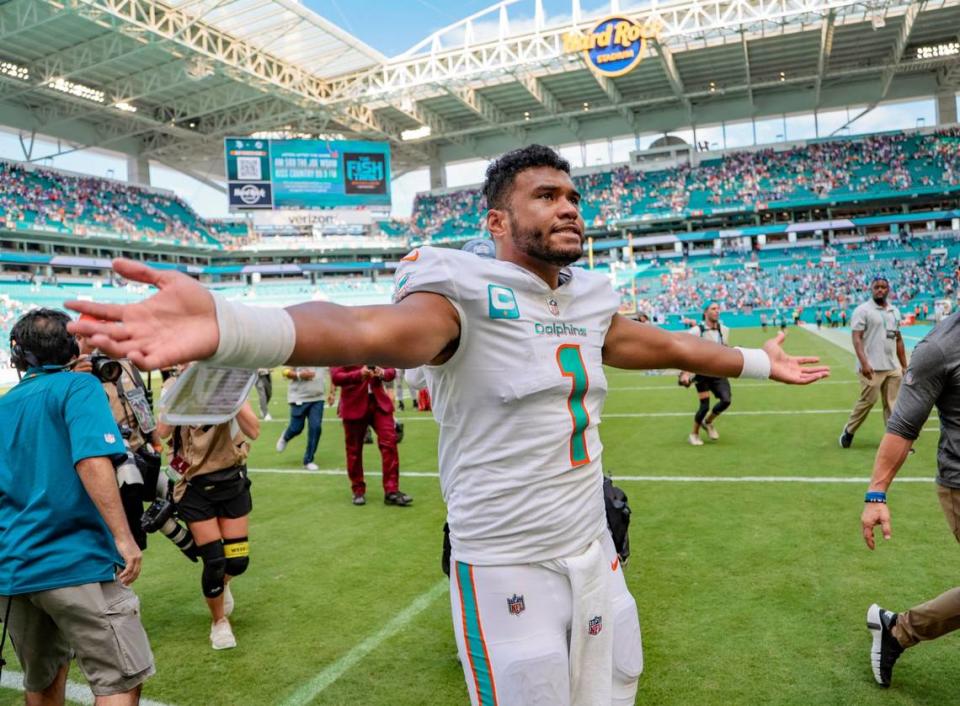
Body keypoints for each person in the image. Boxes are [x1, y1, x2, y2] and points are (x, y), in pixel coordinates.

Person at [68, 144, 829, 706]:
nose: (569, 206)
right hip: (506, 561)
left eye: (572, 195)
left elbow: (658, 344)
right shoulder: (459, 292)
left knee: (614, 695)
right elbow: (364, 329)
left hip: (594, 549)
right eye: (545, 196)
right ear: (498, 220)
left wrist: (755, 364)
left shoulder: (589, 299)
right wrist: (233, 324)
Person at [0, 309, 154, 705]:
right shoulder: (78, 388)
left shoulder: (5, 405)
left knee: (43, 678)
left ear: (18, 356)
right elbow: (91, 461)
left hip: (15, 569)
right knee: (120, 677)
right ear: (71, 349)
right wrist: (124, 537)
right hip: (75, 561)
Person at [860, 312, 960, 688]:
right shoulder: (940, 347)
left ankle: (896, 631)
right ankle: (899, 631)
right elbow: (903, 425)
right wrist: (876, 494)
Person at [156, 374, 260, 650]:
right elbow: (162, 432)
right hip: (194, 485)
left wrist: (229, 396)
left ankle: (222, 584)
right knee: (214, 562)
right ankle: (219, 621)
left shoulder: (228, 384)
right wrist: (182, 393)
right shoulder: (173, 386)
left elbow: (254, 430)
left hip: (231, 481)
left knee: (237, 562)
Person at [839, 276, 908, 449]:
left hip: (892, 367)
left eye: (883, 287)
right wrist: (864, 363)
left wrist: (904, 365)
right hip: (871, 367)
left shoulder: (894, 311)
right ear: (871, 289)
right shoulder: (863, 310)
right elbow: (857, 338)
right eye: (877, 287)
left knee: (893, 405)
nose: (880, 290)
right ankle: (849, 431)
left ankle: (894, 441)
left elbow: (898, 339)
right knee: (868, 401)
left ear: (888, 290)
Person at [331, 364, 412, 507]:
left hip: (379, 403)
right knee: (354, 450)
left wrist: (382, 373)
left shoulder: (375, 342)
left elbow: (391, 371)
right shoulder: (343, 346)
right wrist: (359, 374)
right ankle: (358, 490)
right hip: (353, 404)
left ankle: (391, 491)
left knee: (390, 443)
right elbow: (336, 377)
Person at [679, 302, 733, 446]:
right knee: (704, 406)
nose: (717, 311)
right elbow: (685, 352)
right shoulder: (697, 331)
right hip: (701, 372)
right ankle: (694, 434)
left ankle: (708, 422)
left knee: (726, 400)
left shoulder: (725, 330)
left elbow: (725, 349)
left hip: (718, 371)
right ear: (705, 312)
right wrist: (684, 373)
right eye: (713, 309)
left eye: (718, 309)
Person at [276, 366, 332, 470]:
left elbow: (333, 371)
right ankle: (286, 437)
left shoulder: (324, 353)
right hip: (299, 397)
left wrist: (332, 392)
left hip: (317, 398)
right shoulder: (299, 353)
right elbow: (284, 372)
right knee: (296, 428)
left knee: (316, 428)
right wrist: (299, 375)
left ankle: (308, 460)